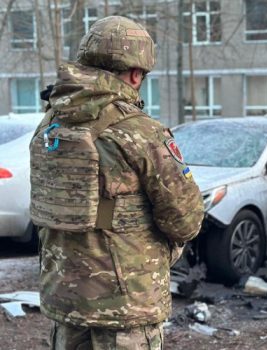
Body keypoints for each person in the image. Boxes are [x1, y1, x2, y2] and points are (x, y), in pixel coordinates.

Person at [29, 16, 204, 349]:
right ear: (136, 74)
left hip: (65, 302)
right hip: (125, 312)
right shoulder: (140, 132)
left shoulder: (50, 122)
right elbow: (186, 219)